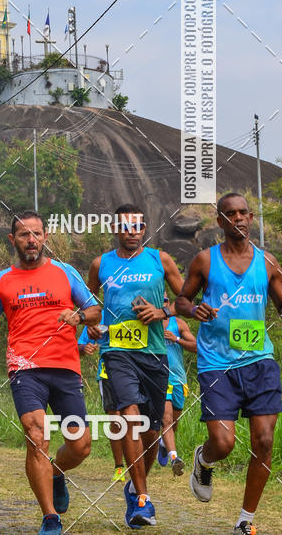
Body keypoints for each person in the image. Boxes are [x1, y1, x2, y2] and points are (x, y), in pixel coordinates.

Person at [0, 211, 100, 535]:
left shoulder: (65, 272)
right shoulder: (4, 279)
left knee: (81, 444)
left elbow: (96, 310)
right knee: (36, 434)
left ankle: (57, 472)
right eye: (24, 235)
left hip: (65, 366)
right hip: (24, 367)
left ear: (45, 238)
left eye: (37, 234)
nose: (31, 240)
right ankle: (50, 517)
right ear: (13, 240)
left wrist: (79, 316)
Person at [176, 192, 282, 535]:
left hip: (259, 360)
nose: (238, 219)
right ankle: (204, 459)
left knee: (264, 442)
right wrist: (194, 310)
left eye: (243, 213)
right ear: (220, 222)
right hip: (217, 363)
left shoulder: (268, 262)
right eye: (230, 214)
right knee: (223, 444)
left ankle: (245, 521)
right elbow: (182, 299)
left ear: (251, 218)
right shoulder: (204, 261)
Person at [87, 203, 183, 528]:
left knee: (152, 431)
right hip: (116, 352)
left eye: (137, 226)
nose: (131, 232)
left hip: (154, 353)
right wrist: (89, 325)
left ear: (144, 228)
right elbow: (88, 304)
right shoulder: (101, 264)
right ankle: (143, 499)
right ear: (115, 229)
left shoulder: (160, 260)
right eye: (125, 226)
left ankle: (133, 484)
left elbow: (186, 300)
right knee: (130, 417)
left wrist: (163, 312)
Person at [78, 326, 125, 483]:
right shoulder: (100, 318)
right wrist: (86, 348)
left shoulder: (134, 313)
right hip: (107, 373)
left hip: (134, 372)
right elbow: (80, 344)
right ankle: (119, 467)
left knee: (134, 419)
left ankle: (138, 462)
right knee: (116, 421)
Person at [156, 294, 196, 475]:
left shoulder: (178, 324)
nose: (163, 303)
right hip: (160, 377)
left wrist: (176, 339)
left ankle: (163, 444)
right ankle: (175, 458)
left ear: (169, 303)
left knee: (174, 421)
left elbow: (196, 347)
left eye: (165, 300)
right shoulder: (150, 324)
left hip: (179, 378)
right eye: (160, 300)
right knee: (166, 419)